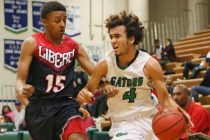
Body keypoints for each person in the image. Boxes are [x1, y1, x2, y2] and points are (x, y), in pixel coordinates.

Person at [77, 11, 192, 140]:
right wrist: (84, 94)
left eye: (117, 36)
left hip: (151, 120)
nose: (113, 41)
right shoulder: (105, 63)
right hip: (123, 123)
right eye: (111, 37)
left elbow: (164, 99)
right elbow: (88, 89)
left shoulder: (150, 65)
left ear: (131, 39)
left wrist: (181, 113)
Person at [15, 1, 96, 140]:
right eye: (57, 20)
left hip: (65, 105)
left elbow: (96, 74)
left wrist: (93, 89)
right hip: (39, 107)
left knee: (77, 137)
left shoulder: (74, 46)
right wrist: (23, 90)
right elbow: (19, 81)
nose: (62, 24)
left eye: (64, 20)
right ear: (44, 22)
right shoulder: (31, 43)